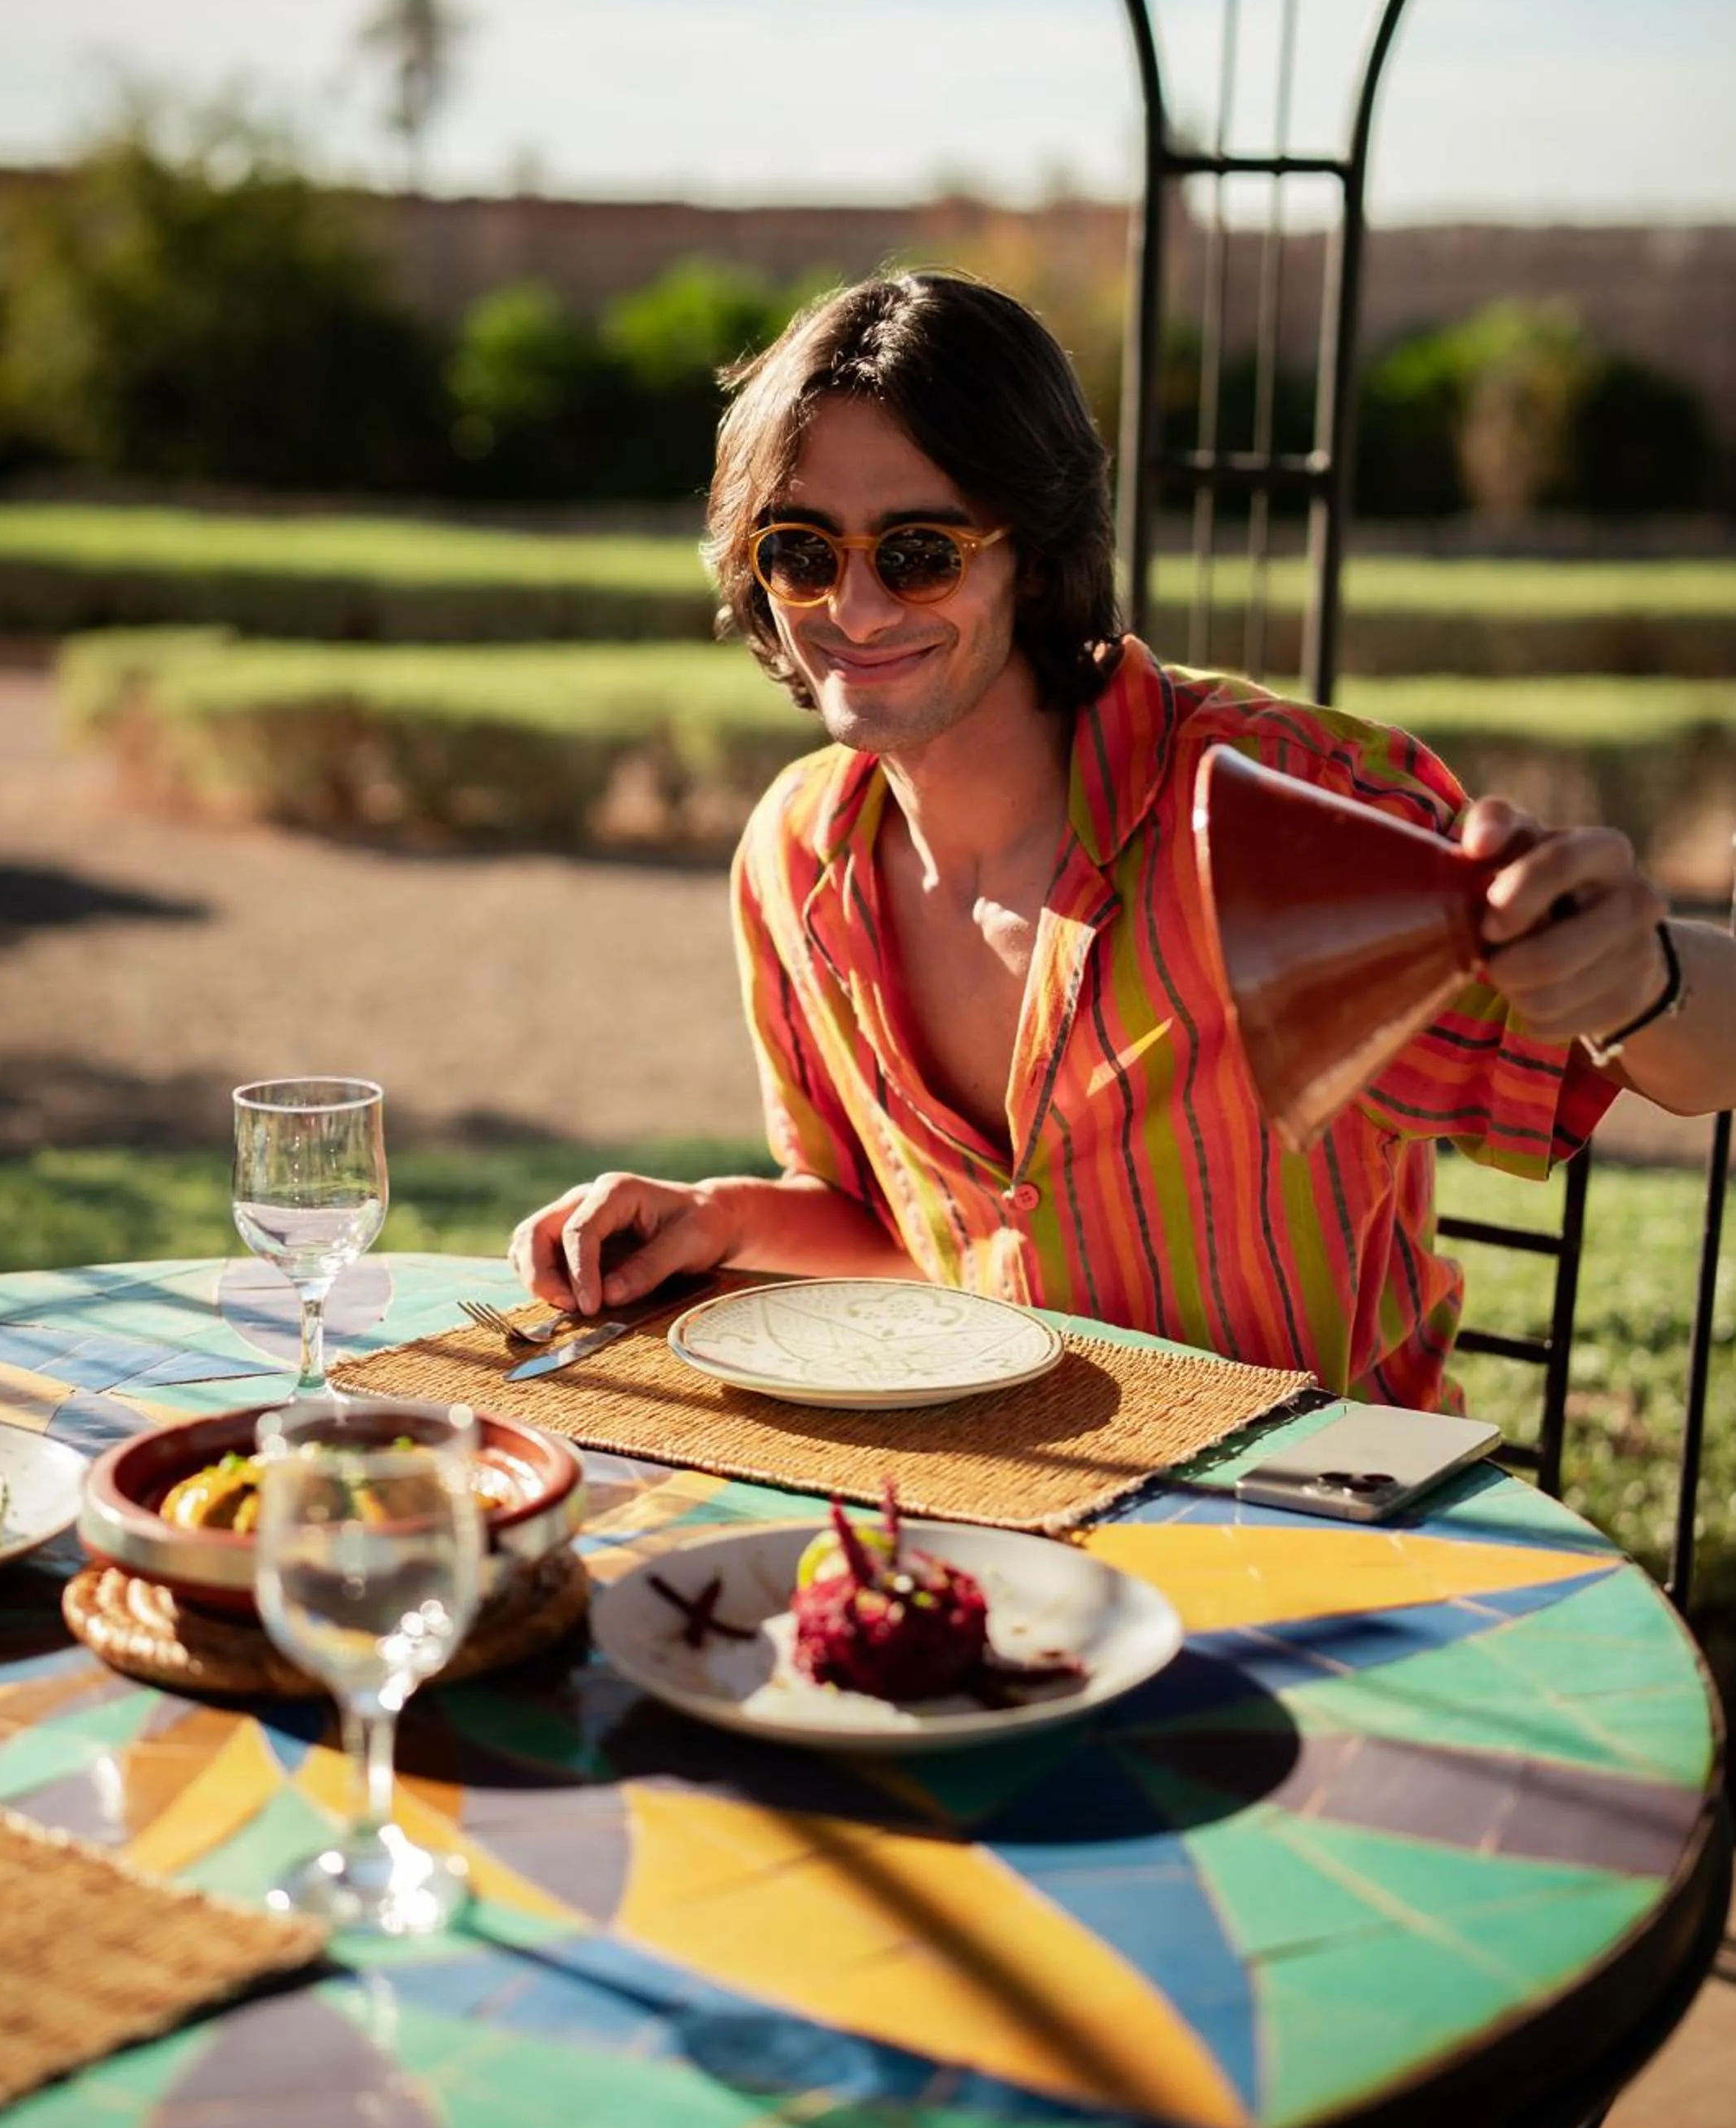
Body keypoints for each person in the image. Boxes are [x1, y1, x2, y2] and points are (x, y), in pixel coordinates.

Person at [509, 272, 1736, 1408]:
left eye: (921, 554)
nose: (857, 607)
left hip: (1307, 1514)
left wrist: (1639, 975)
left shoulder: (1292, 807)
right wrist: (719, 1217)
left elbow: (1698, 1062)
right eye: (800, 551)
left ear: (1036, 558)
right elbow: (897, 1229)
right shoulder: (792, 854)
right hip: (997, 1491)